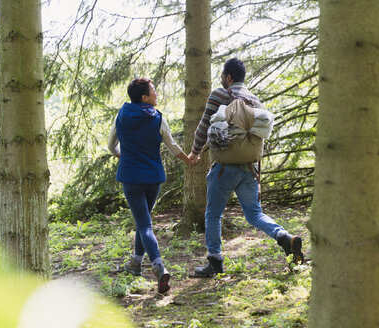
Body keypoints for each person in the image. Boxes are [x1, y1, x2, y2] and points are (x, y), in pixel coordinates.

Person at [188, 58, 304, 277]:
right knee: (254, 214)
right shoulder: (255, 101)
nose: (222, 78)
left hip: (224, 168)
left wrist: (194, 153)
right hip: (249, 169)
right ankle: (284, 237)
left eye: (223, 75)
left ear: (228, 77)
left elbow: (204, 126)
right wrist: (257, 177)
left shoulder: (220, 95)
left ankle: (215, 262)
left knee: (213, 215)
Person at [108, 77, 194, 293]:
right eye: (153, 91)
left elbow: (111, 145)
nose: (156, 93)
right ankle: (136, 262)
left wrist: (121, 155)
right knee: (143, 221)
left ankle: (158, 266)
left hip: (130, 176)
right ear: (144, 97)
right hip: (153, 177)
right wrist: (189, 160)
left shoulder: (122, 114)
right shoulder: (157, 117)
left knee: (143, 224)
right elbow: (172, 146)